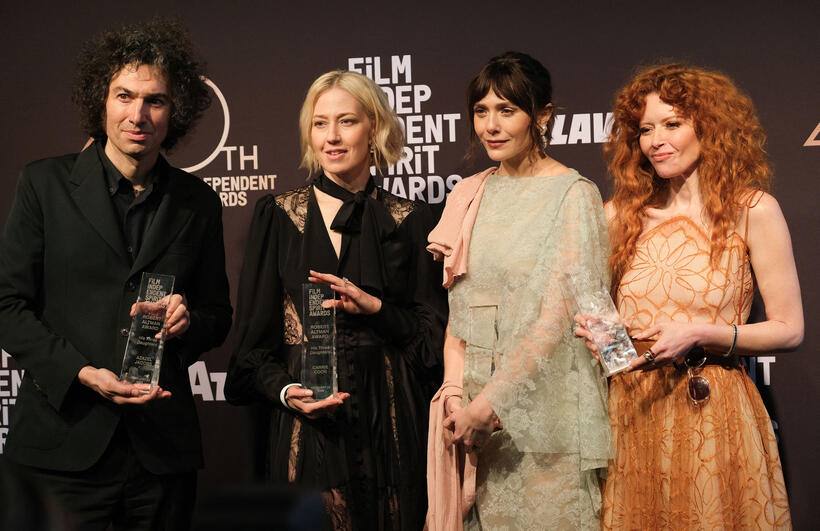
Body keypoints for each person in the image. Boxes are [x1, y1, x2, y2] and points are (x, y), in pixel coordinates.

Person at [0, 19, 232, 530]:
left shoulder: (198, 203)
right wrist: (81, 373)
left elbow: (219, 315)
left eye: (155, 100)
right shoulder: (44, 185)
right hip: (60, 448)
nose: (137, 115)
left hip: (160, 456)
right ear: (100, 100)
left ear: (177, 112)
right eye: (124, 95)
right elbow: (8, 307)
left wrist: (188, 320)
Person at [576, 63, 801, 529]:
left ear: (709, 127)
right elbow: (590, 302)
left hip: (715, 412)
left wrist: (699, 333)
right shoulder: (618, 215)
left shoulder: (752, 211)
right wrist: (603, 338)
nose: (656, 140)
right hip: (632, 412)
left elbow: (789, 329)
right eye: (645, 129)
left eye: (672, 124)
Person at [225, 70, 447, 530]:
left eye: (346, 121)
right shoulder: (279, 216)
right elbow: (250, 353)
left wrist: (377, 309)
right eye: (319, 123)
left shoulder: (411, 220)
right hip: (309, 428)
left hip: (391, 423)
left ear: (376, 129)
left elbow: (432, 344)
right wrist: (288, 393)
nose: (332, 137)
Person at [426, 51, 612, 530]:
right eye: (482, 111)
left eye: (507, 110)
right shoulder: (468, 192)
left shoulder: (575, 194)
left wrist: (490, 404)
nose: (491, 125)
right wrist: (454, 397)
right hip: (471, 420)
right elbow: (459, 310)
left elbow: (556, 321)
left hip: (542, 422)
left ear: (543, 115)